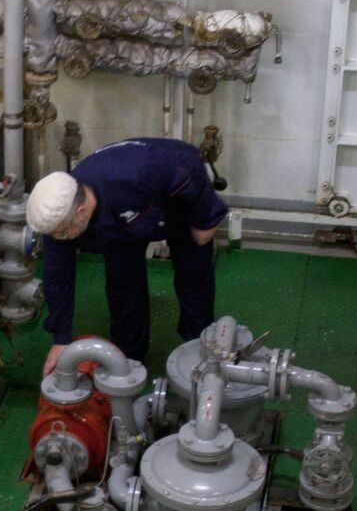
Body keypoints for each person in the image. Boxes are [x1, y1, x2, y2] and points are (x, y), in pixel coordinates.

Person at [26, 138, 229, 375]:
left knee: (193, 278)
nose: (60, 238)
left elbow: (186, 169)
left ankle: (197, 348)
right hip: (123, 223)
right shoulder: (59, 219)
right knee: (122, 286)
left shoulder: (137, 173)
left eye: (63, 233)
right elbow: (57, 276)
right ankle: (129, 359)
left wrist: (207, 218)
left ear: (80, 211)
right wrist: (61, 338)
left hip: (172, 204)